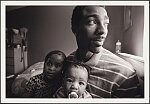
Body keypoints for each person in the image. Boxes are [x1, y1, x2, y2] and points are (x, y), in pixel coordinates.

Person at [67, 6, 142, 98]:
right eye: (92, 22)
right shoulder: (66, 62)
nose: (103, 31)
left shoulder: (124, 74)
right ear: (75, 27)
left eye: (106, 23)